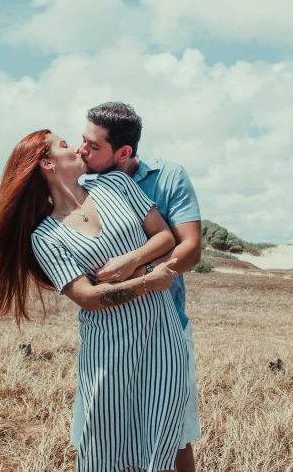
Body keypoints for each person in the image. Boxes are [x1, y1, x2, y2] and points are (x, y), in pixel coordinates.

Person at [0, 129, 190, 472]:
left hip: (162, 334)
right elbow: (86, 297)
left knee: (161, 439)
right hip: (109, 349)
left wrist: (130, 262)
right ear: (46, 163)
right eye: (63, 145)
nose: (76, 148)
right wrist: (148, 281)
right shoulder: (45, 237)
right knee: (104, 445)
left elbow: (163, 237)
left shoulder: (116, 185)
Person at [78, 102, 202, 472]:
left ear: (124, 152)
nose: (82, 151)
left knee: (174, 436)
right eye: (82, 141)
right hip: (108, 334)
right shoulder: (82, 184)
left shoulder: (168, 176)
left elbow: (191, 248)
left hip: (167, 327)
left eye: (93, 146)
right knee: (102, 435)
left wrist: (136, 266)